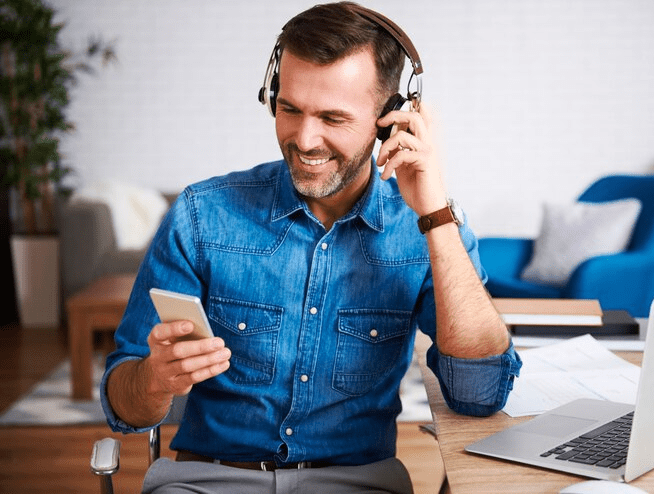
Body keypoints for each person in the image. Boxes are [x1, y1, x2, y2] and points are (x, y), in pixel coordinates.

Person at [101, 2, 521, 493]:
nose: (304, 138)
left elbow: (479, 393)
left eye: (333, 118)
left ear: (390, 121)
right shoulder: (201, 217)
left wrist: (433, 211)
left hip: (356, 482)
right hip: (209, 478)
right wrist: (153, 380)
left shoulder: (425, 227)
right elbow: (122, 403)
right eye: (290, 109)